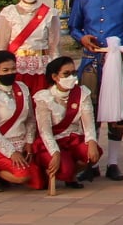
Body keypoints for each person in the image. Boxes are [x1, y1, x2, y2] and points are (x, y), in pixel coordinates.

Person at [64, 0, 123, 181]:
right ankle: (92, 161)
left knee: (116, 111)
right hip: (91, 61)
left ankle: (113, 163)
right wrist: (82, 38)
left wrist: (122, 50)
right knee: (90, 110)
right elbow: (73, 27)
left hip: (116, 62)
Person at [0, 50, 40, 191]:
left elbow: (30, 118)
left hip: (22, 142)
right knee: (23, 176)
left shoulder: (22, 88)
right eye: (5, 70)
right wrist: (11, 152)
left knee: (39, 182)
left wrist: (29, 142)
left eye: (13, 69)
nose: (10, 73)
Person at [32, 55, 100, 189]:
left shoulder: (82, 93)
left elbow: (88, 122)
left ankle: (70, 175)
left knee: (92, 153)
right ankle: (57, 171)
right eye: (66, 74)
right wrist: (55, 152)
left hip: (72, 139)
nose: (72, 77)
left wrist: (92, 142)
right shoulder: (44, 97)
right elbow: (45, 131)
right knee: (65, 170)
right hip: (51, 142)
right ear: (55, 77)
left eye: (74, 73)